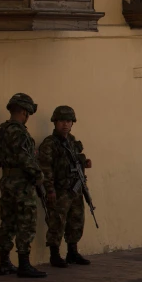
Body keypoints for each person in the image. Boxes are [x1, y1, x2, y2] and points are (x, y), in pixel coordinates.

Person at [0, 94, 46, 278]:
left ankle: (4, 262)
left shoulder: (0, 131)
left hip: (6, 181)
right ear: (24, 111)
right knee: (26, 221)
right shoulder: (20, 132)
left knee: (7, 222)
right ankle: (24, 264)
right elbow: (26, 159)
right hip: (21, 184)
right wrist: (39, 176)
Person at [38, 106, 92, 268]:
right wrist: (50, 190)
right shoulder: (49, 143)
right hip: (59, 189)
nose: (65, 125)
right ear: (55, 122)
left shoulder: (72, 142)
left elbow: (74, 162)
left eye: (68, 121)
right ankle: (54, 255)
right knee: (57, 222)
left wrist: (84, 163)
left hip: (75, 188)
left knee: (76, 220)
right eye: (62, 121)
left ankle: (72, 252)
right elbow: (45, 168)